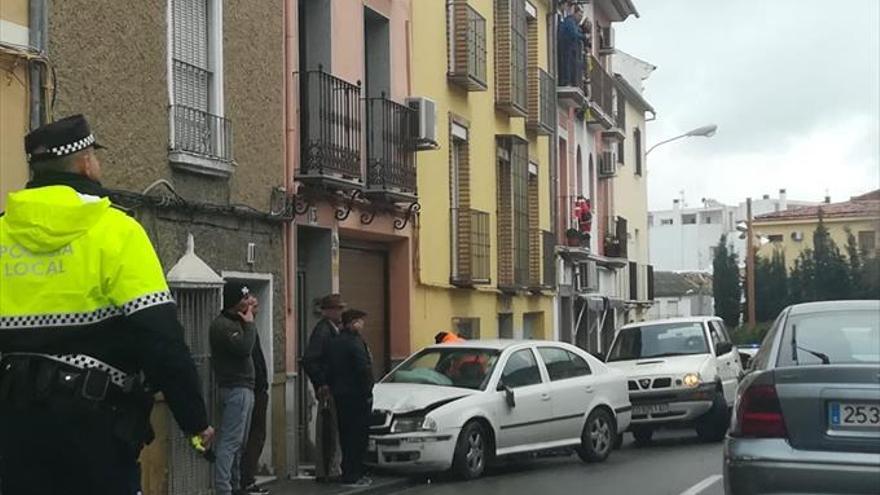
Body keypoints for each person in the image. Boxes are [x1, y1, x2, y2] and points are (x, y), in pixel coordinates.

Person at [0, 114, 213, 494]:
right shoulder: (118, 231)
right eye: (95, 157)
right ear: (84, 162)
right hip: (96, 433)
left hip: (12, 432)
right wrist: (194, 421)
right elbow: (160, 337)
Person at [210, 282, 258, 495]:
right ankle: (224, 488)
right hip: (235, 387)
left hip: (243, 387)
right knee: (229, 442)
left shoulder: (236, 321)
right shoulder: (223, 326)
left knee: (239, 442)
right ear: (233, 302)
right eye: (244, 298)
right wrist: (250, 325)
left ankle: (236, 485)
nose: (249, 301)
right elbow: (244, 348)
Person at [327, 309, 374, 488]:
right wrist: (368, 391)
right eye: (361, 321)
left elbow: (329, 367)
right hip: (357, 396)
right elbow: (363, 369)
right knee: (358, 436)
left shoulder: (335, 341)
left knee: (345, 435)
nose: (363, 325)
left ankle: (347, 471)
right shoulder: (355, 342)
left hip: (340, 395)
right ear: (353, 323)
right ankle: (354, 474)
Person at [302, 294, 345, 482]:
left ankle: (330, 469)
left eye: (341, 308)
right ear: (327, 311)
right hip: (328, 388)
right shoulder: (323, 331)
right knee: (329, 430)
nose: (340, 312)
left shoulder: (333, 329)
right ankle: (327, 471)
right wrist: (321, 383)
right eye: (337, 309)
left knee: (333, 430)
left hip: (333, 385)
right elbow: (310, 360)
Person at [240, 295, 271, 495]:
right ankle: (246, 480)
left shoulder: (252, 327)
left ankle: (246, 478)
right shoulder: (244, 328)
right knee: (252, 436)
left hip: (258, 388)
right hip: (251, 389)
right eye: (253, 304)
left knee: (257, 435)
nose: (257, 308)